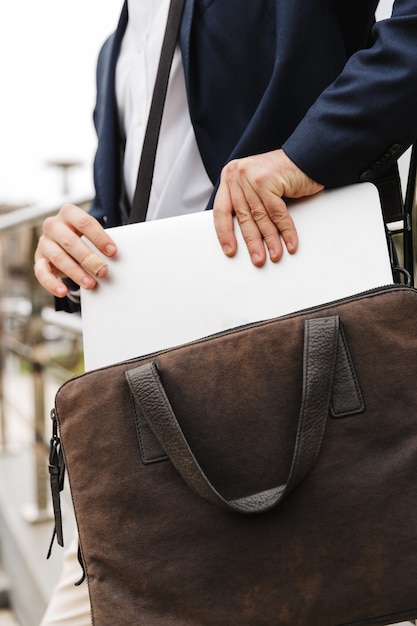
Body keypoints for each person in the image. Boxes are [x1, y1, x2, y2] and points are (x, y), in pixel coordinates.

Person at [34, 0, 417, 623]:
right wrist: (71, 254)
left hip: (304, 363)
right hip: (146, 409)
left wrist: (306, 154)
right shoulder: (118, 44)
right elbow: (131, 214)